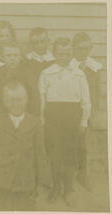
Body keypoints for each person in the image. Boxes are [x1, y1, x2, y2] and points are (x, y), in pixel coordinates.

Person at [39, 37, 91, 206]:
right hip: (53, 115)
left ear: (72, 53)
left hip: (73, 115)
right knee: (54, 153)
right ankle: (56, 187)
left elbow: (86, 100)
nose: (64, 57)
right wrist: (42, 119)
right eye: (60, 53)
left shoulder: (79, 73)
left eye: (68, 53)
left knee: (70, 153)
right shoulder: (47, 73)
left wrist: (83, 121)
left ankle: (68, 188)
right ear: (54, 54)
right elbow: (42, 99)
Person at [0, 80, 45, 211]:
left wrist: (41, 182)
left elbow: (40, 154)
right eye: (11, 100)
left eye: (19, 99)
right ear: (4, 102)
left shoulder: (35, 123)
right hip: (0, 179)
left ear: (26, 100)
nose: (15, 104)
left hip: (25, 180)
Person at [70, 32, 103, 191]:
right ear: (74, 48)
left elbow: (96, 91)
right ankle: (69, 176)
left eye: (87, 48)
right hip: (70, 112)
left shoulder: (94, 67)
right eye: (80, 48)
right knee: (69, 144)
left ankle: (83, 175)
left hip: (87, 112)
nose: (83, 52)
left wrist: (93, 113)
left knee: (85, 146)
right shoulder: (68, 65)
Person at [0, 41, 29, 126]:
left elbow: (34, 98)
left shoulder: (27, 74)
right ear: (2, 57)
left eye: (15, 55)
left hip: (22, 118)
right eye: (8, 55)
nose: (12, 58)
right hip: (0, 117)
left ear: (21, 57)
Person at [26, 27, 55, 116]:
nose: (39, 45)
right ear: (31, 44)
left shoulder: (55, 61)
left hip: (51, 103)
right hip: (32, 104)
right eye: (36, 43)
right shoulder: (26, 61)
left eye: (42, 41)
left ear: (48, 42)